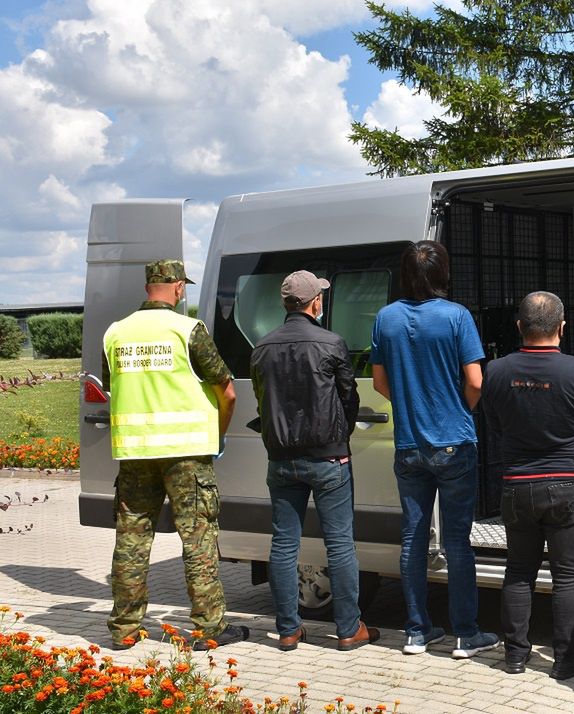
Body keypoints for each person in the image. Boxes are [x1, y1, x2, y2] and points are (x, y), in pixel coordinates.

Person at [102, 259, 248, 650]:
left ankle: (124, 629)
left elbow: (114, 387)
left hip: (134, 454)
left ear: (149, 285)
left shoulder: (115, 333)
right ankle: (208, 630)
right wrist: (216, 435)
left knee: (131, 541)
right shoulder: (188, 330)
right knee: (198, 540)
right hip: (187, 453)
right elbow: (227, 390)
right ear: (179, 287)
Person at [370, 240, 499, 658]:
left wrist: (411, 408)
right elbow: (476, 381)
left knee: (412, 538)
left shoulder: (385, 318)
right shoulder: (457, 316)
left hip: (409, 446)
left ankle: (416, 631)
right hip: (454, 442)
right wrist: (458, 412)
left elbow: (379, 382)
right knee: (458, 541)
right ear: (443, 272)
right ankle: (466, 633)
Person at [482, 291, 574, 680]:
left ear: (519, 326)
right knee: (569, 574)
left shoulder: (497, 371)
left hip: (517, 484)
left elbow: (494, 424)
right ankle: (566, 657)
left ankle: (515, 656)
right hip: (569, 484)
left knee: (519, 570)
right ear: (562, 327)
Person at [250, 270, 379, 652]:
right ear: (315, 302)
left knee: (283, 543)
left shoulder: (262, 346)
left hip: (281, 458)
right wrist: (342, 432)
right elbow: (348, 397)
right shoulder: (331, 343)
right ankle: (347, 629)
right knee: (339, 544)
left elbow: (263, 399)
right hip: (329, 458)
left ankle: (289, 630)